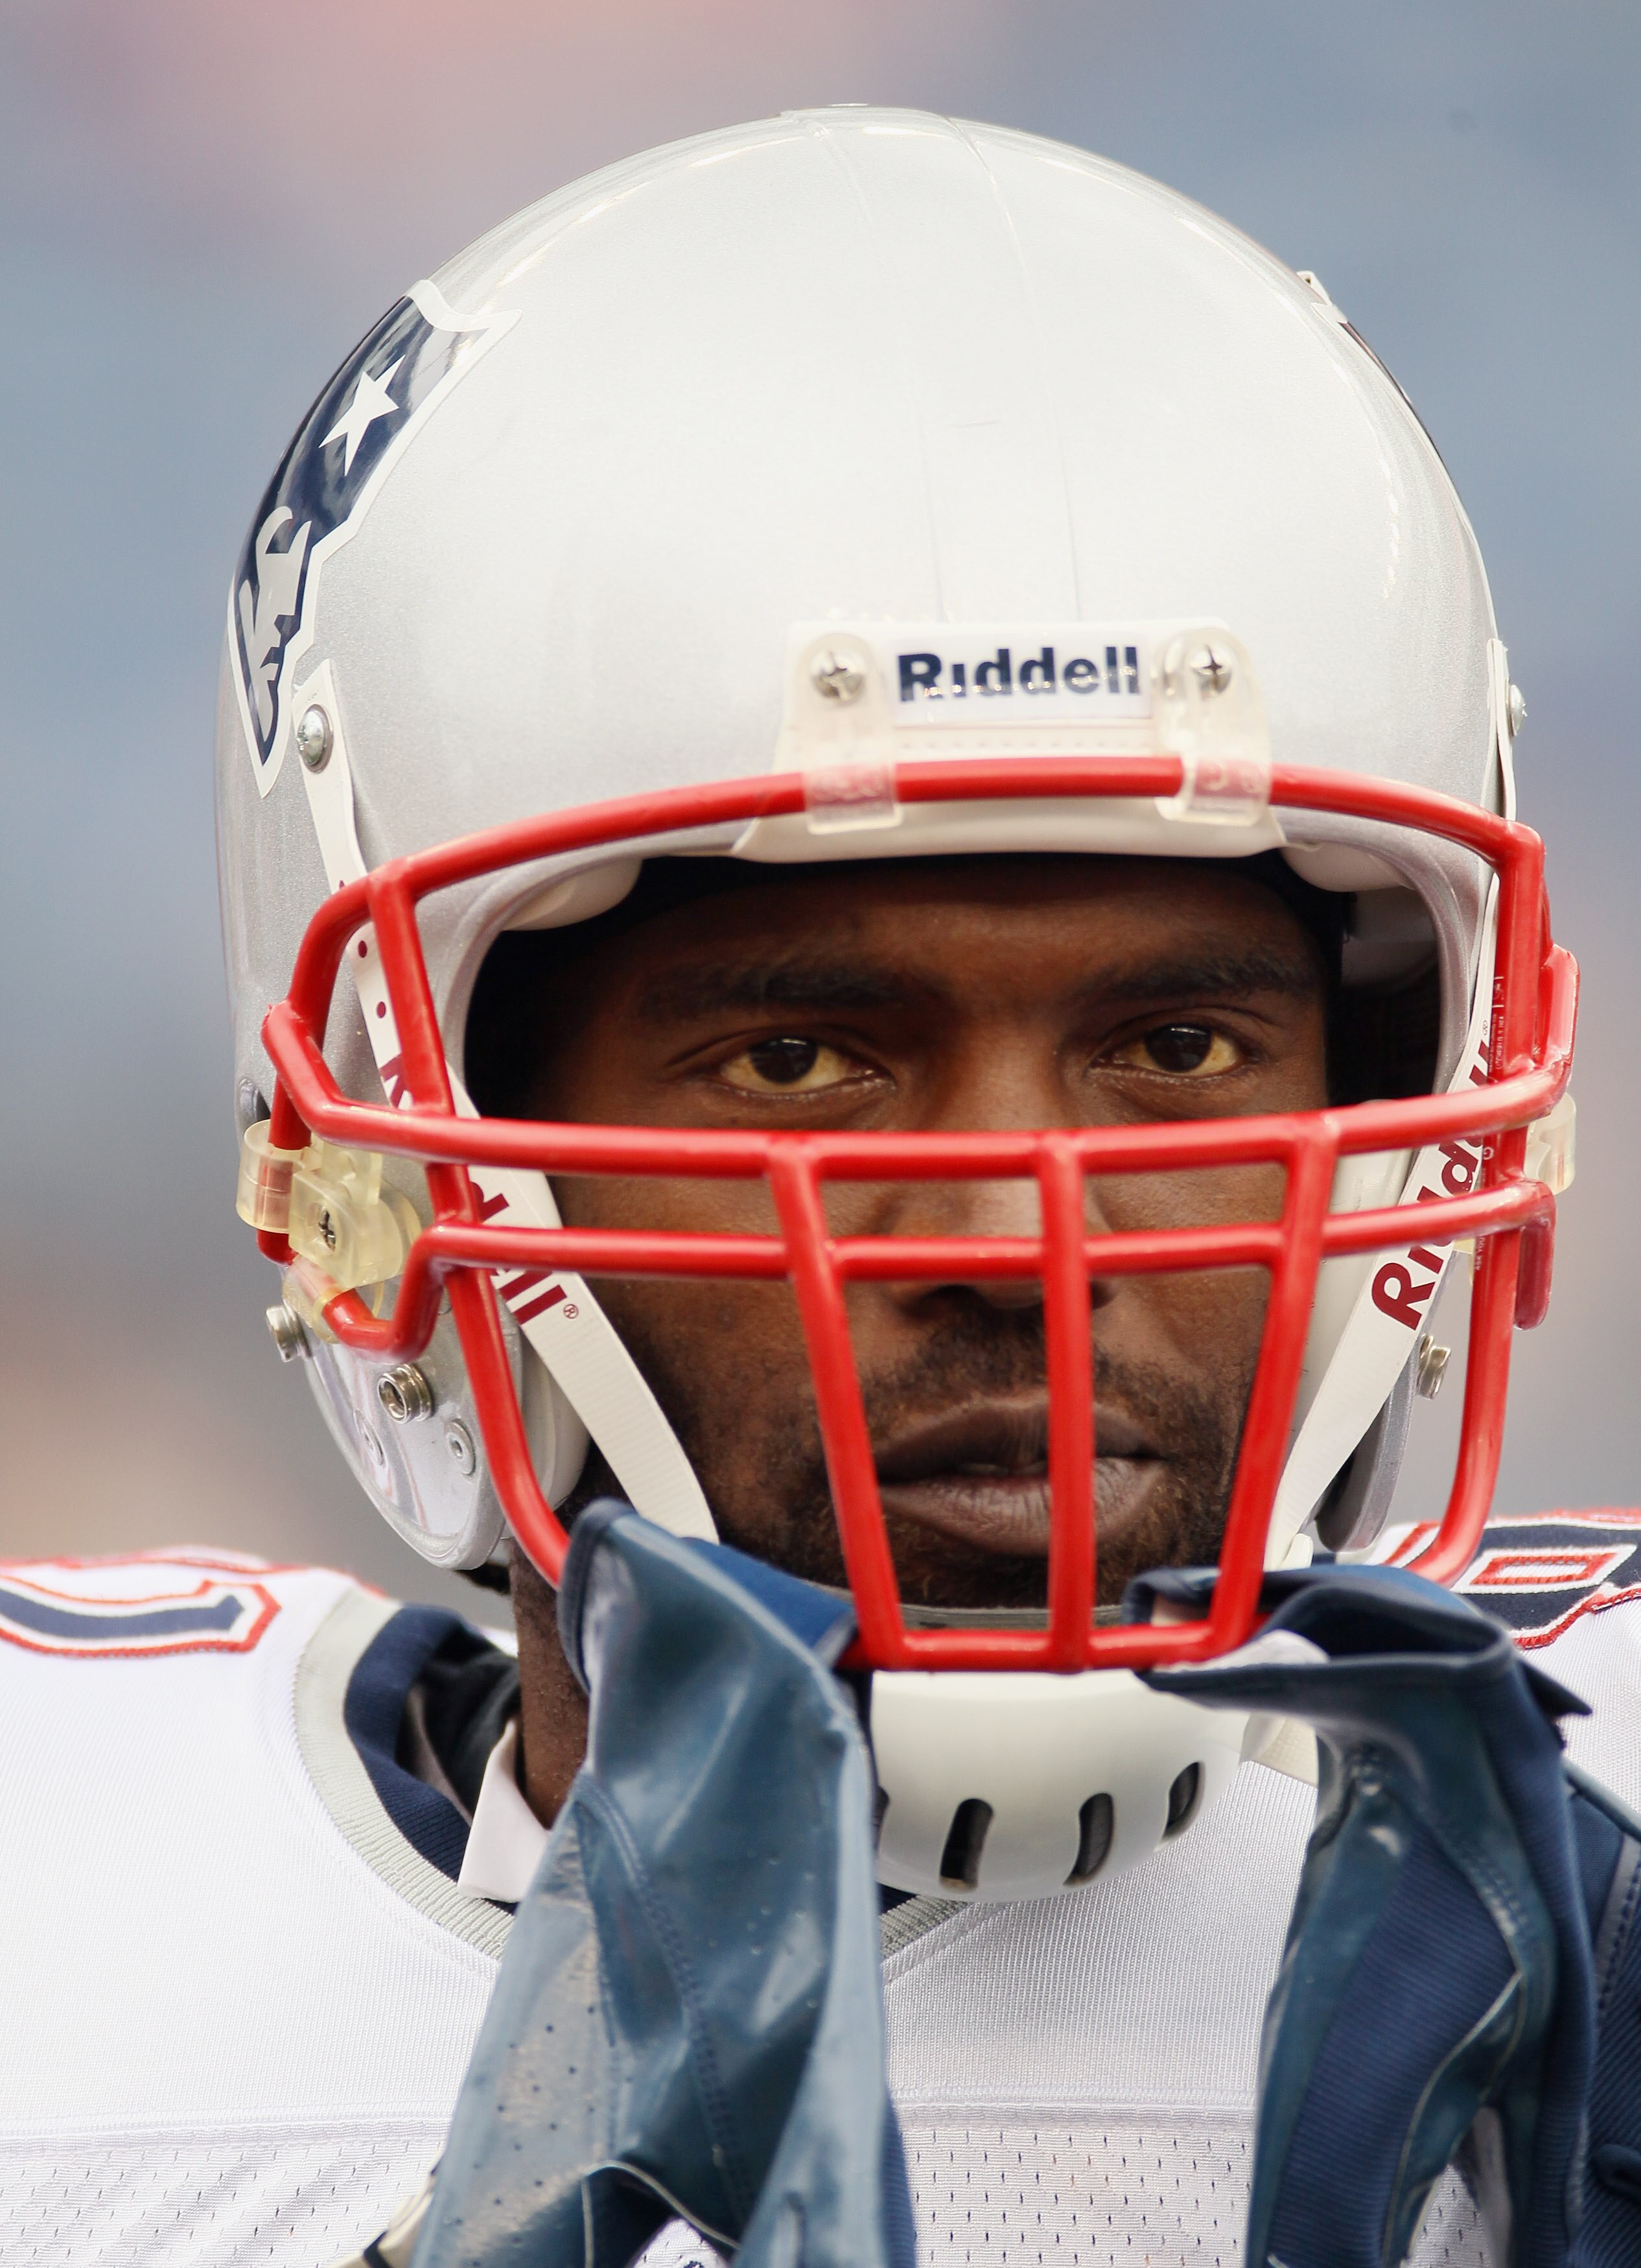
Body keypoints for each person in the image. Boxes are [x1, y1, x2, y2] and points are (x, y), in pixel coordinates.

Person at [2, 108, 1630, 2268]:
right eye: (796, 1059)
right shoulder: (73, 1938)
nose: (1007, 1243)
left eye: (1172, 1051)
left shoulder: (1579, 1888)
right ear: (393, 1130)